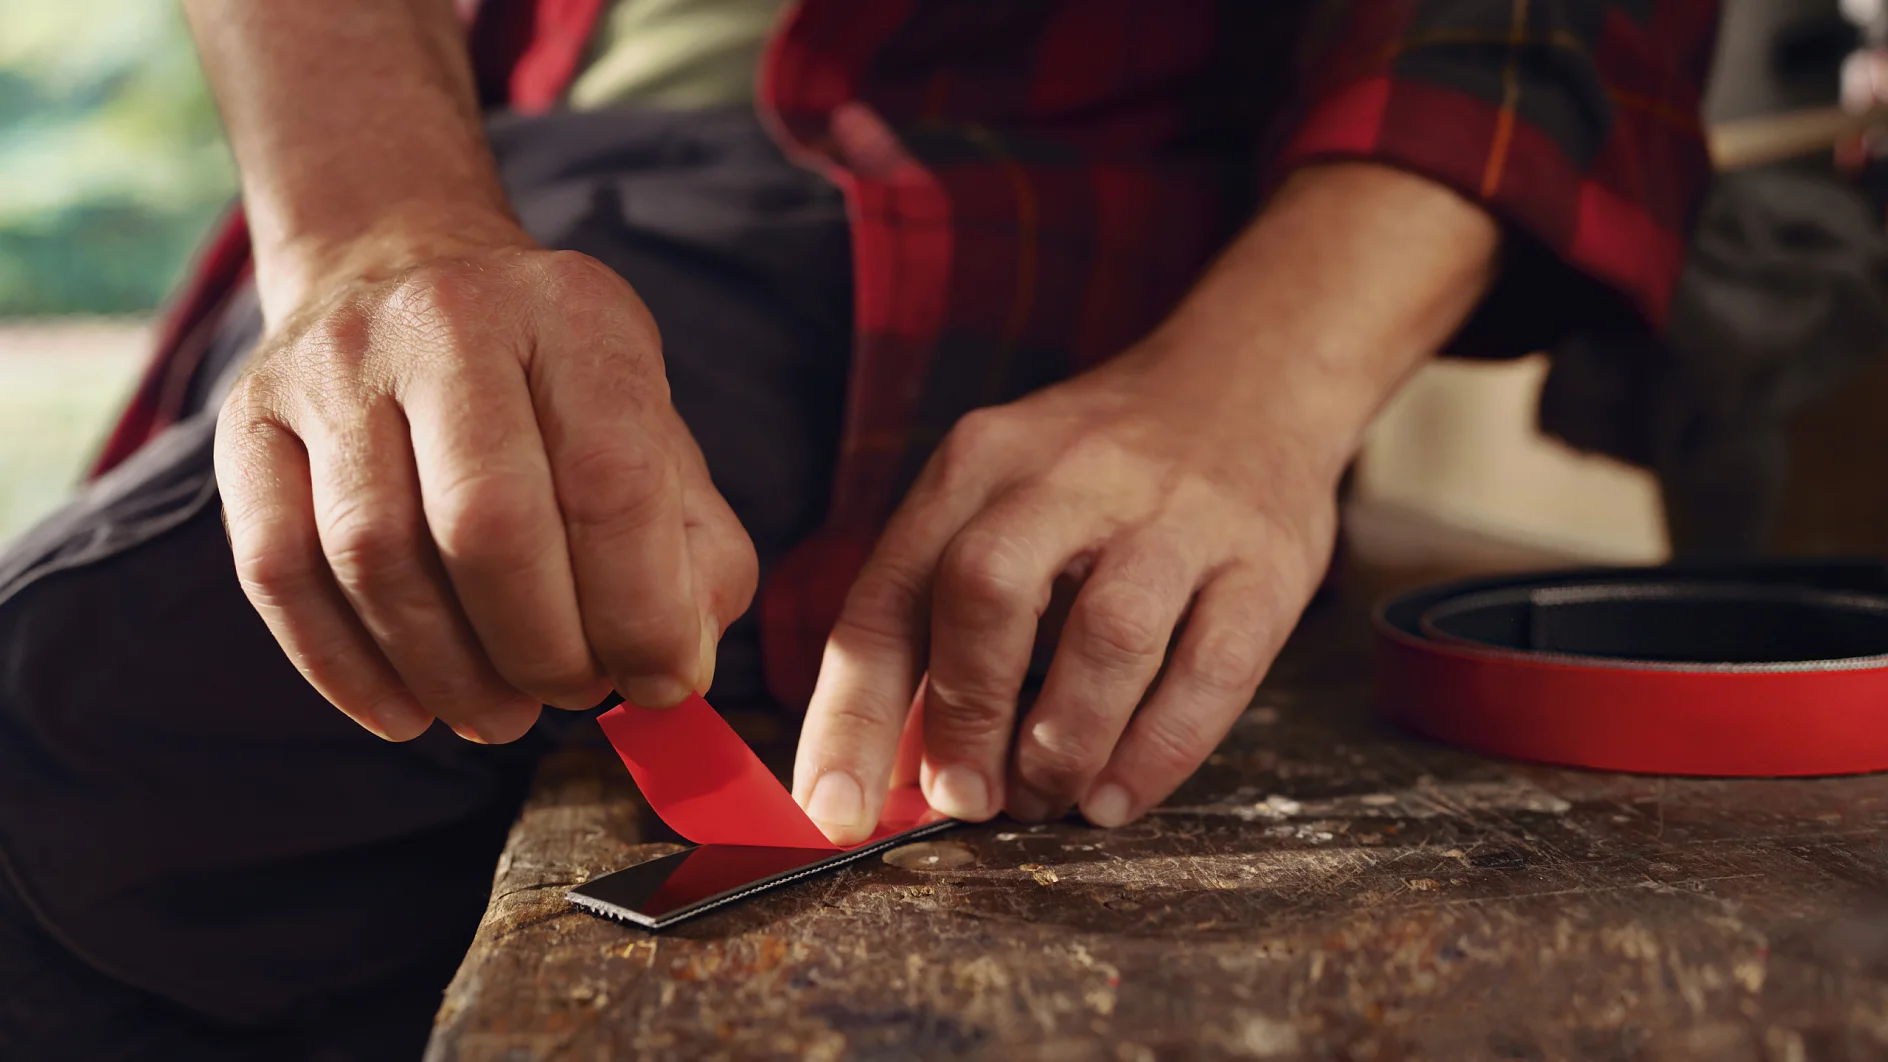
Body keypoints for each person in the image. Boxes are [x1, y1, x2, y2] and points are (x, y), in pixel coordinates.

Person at [0, 0, 1719, 1056]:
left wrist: (1255, 382)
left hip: (988, 207)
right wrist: (367, 230)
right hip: (463, 173)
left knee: (81, 718)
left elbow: (1540, 25)